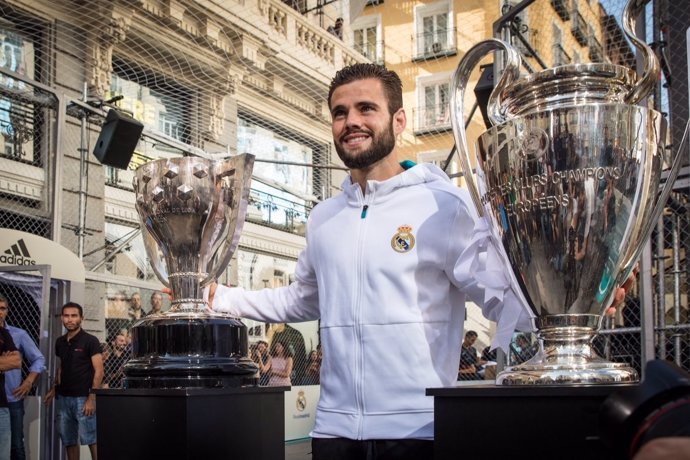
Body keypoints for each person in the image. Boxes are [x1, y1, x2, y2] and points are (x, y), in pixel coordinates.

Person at [180, 63, 628, 460]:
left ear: (398, 120)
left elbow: (497, 297)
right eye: (340, 113)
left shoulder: (442, 205)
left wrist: (567, 302)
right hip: (334, 432)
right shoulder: (324, 218)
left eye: (365, 108)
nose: (351, 121)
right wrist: (222, 297)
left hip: (419, 432)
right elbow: (302, 299)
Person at [45, 302, 103, 460]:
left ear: (81, 318)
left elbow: (99, 370)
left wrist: (91, 398)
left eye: (74, 316)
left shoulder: (90, 341)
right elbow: (62, 367)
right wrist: (54, 388)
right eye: (66, 316)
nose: (70, 319)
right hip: (63, 399)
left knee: (91, 439)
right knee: (69, 441)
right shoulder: (60, 342)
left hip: (83, 398)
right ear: (62, 318)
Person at [0, 294, 46, 460]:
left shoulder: (17, 334)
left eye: (2, 308)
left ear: (7, 311)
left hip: (12, 397)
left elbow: (38, 358)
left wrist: (29, 381)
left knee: (16, 444)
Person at [0, 315, 20, 460]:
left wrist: (8, 361)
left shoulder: (3, 333)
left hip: (1, 404)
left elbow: (16, 361)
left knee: (4, 454)